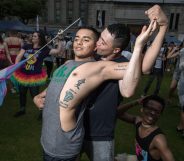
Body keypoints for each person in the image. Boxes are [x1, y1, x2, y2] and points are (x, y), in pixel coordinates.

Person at [34, 5, 168, 161]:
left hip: (100, 135)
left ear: (116, 49)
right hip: (76, 129)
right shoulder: (91, 57)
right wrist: (43, 95)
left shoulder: (120, 64)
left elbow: (144, 66)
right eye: (98, 39)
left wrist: (162, 28)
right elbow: (66, 81)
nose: (97, 44)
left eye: (102, 42)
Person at [11, 31, 62, 118]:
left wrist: (59, 40)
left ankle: (42, 111)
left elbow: (57, 51)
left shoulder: (44, 49)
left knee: (35, 95)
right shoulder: (26, 46)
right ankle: (22, 109)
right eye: (32, 36)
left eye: (35, 36)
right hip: (23, 74)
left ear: (39, 38)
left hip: (34, 76)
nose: (32, 37)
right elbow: (19, 56)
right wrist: (16, 66)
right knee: (22, 92)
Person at [117, 95, 175, 161]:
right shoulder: (138, 122)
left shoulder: (158, 139)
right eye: (150, 108)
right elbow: (118, 113)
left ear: (160, 115)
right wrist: (136, 102)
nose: (153, 112)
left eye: (157, 111)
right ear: (142, 109)